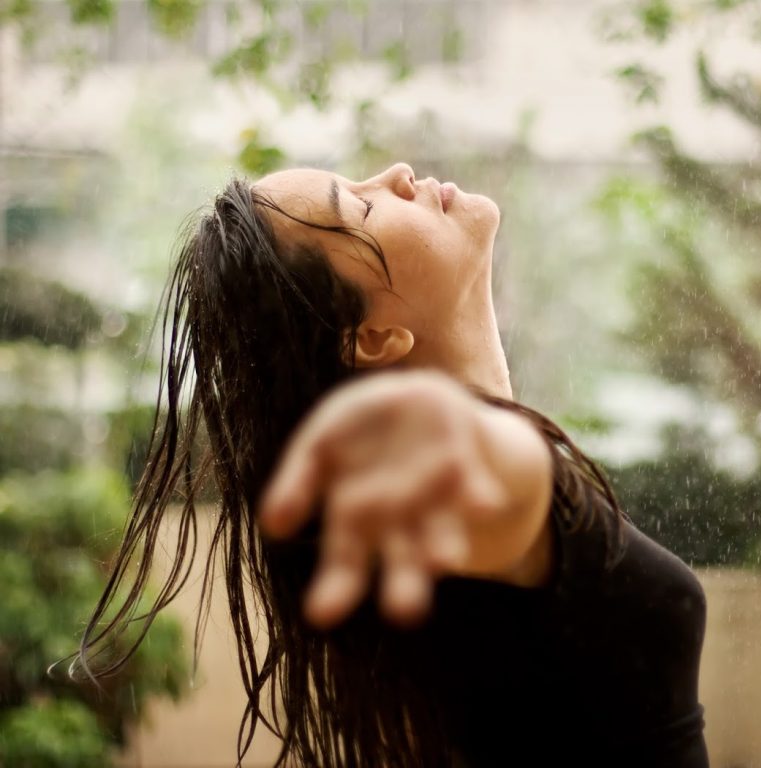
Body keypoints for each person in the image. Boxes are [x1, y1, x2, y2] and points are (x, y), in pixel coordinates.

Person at [77, 162, 709, 768]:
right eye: (361, 206)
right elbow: (497, 492)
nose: (398, 174)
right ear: (371, 337)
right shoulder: (460, 500)